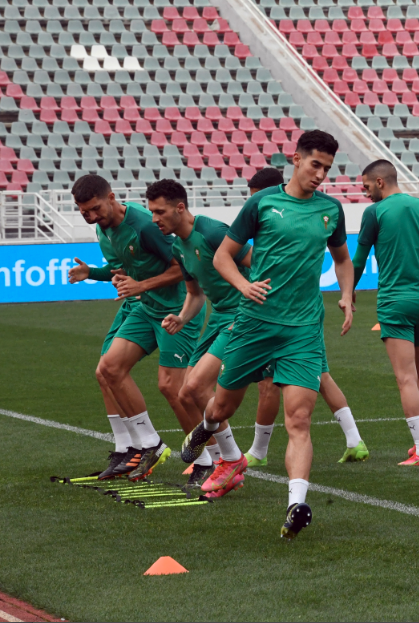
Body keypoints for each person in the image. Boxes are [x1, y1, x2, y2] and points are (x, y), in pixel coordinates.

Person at [179, 130, 357, 539]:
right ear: (296, 159)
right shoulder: (262, 203)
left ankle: (297, 503)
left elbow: (342, 259)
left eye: (327, 169)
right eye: (315, 165)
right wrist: (243, 286)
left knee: (299, 418)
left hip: (303, 330)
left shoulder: (330, 209)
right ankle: (205, 426)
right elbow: (224, 256)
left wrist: (346, 294)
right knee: (221, 407)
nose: (321, 175)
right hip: (254, 325)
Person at [66, 174, 203, 481]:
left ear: (112, 197)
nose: (91, 216)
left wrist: (141, 284)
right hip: (146, 306)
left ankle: (210, 458)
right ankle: (149, 443)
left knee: (175, 389)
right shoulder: (104, 230)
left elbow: (182, 268)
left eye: (96, 208)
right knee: (108, 369)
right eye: (84, 211)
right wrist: (93, 273)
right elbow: (122, 268)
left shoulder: (143, 226)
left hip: (176, 307)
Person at [242, 167, 369, 467]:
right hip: (304, 315)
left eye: (256, 198)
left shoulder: (308, 212)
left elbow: (342, 258)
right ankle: (355, 440)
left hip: (292, 316)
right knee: (321, 376)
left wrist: (347, 295)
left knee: (269, 381)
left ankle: (259, 451)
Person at [145, 178, 252, 495]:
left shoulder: (212, 231)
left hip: (241, 314)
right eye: (151, 212)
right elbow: (195, 294)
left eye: (160, 212)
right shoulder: (178, 245)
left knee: (195, 386)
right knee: (184, 395)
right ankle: (226, 463)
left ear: (180, 208)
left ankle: (232, 460)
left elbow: (254, 261)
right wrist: (181, 316)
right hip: (217, 314)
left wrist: (259, 301)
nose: (154, 219)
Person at [352, 159, 419, 466]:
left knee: (405, 378)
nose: (365, 193)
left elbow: (358, 261)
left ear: (380, 182)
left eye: (366, 186)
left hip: (395, 302)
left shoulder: (374, 213)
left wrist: (348, 293)